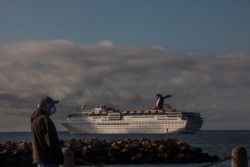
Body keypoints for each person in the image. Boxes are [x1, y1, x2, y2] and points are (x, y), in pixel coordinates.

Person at [31, 96, 64, 167]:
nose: (53, 108)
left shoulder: (35, 120)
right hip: (49, 160)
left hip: (40, 160)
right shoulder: (45, 120)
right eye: (52, 105)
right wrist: (59, 158)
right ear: (46, 107)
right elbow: (51, 141)